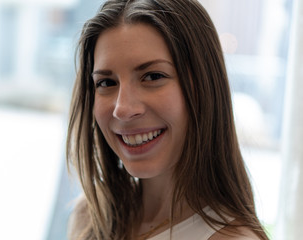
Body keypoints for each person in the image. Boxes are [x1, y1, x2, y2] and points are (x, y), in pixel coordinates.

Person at [66, 0, 269, 239]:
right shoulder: (89, 218)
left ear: (204, 88)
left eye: (152, 76)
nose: (122, 108)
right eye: (106, 82)